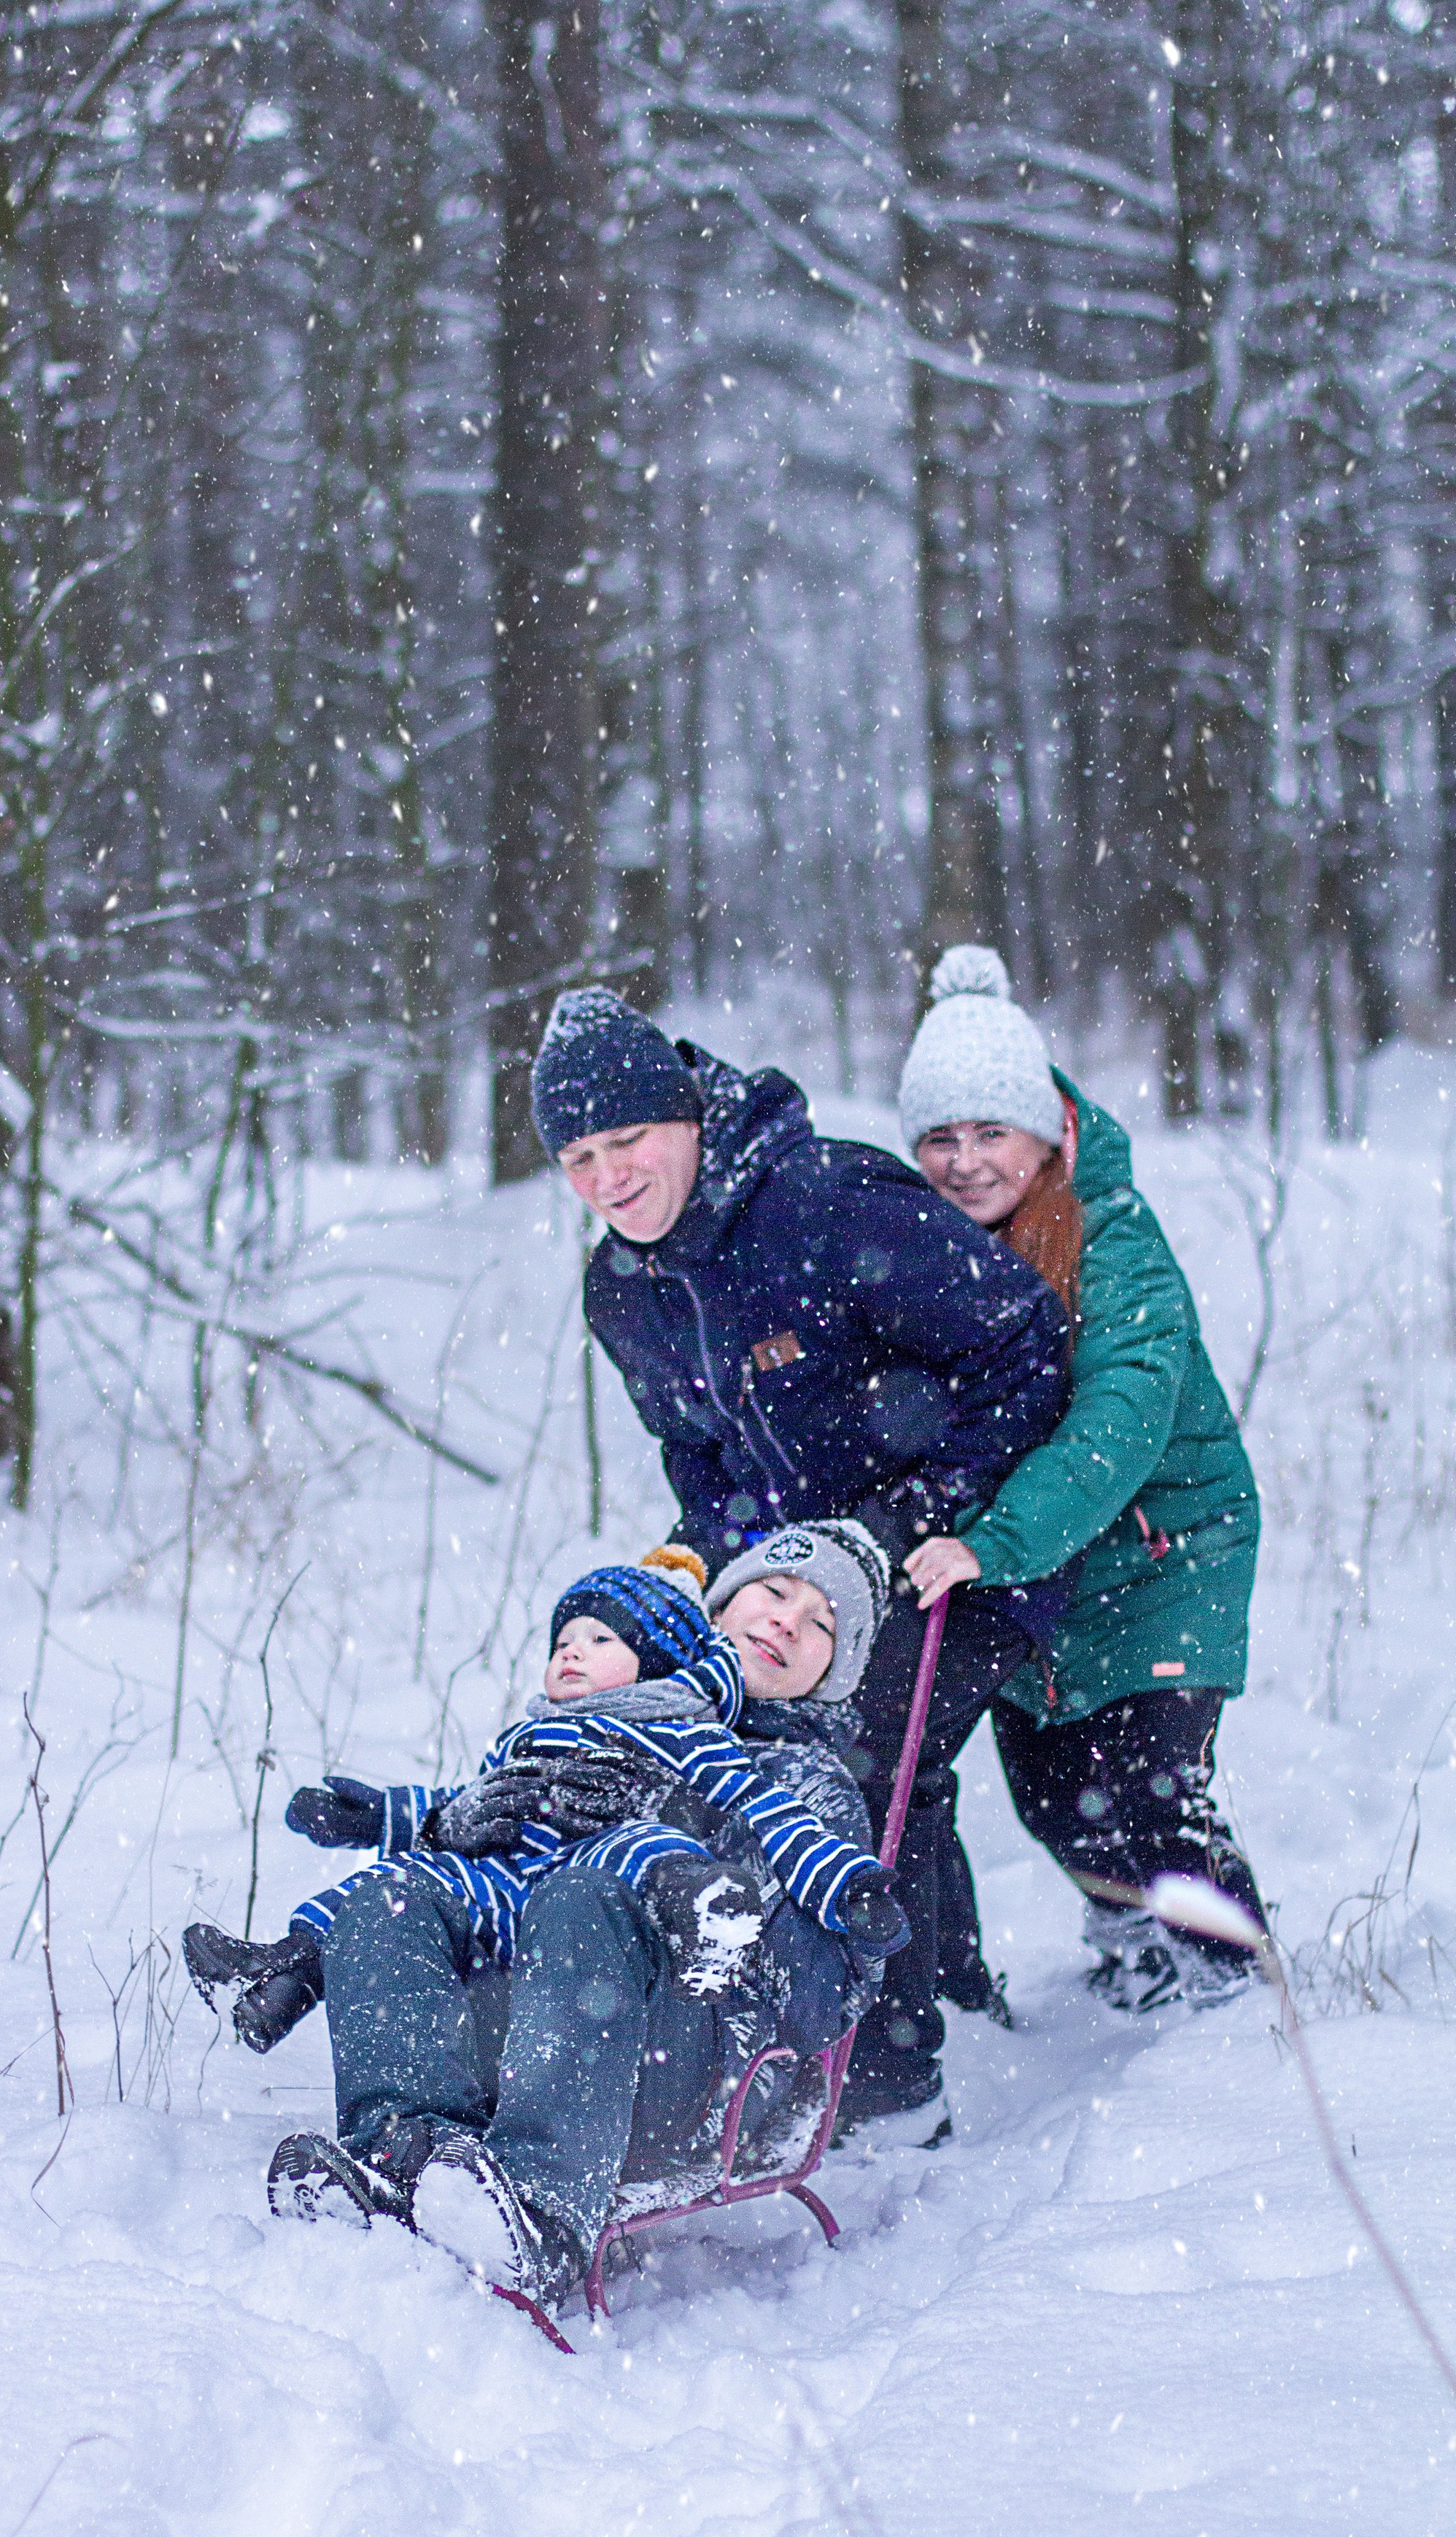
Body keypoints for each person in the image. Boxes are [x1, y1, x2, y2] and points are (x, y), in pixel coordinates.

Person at [530, 985, 1075, 2141]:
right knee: (726, 1733)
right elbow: (699, 1453)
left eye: (628, 1140)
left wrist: (919, 1514)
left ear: (686, 1117)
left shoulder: (828, 1202)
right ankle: (949, 1993)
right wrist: (708, 1573)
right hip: (806, 1572)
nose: (609, 1177)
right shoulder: (622, 1291)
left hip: (968, 1547)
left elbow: (1029, 1346)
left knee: (866, 1755)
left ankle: (890, 2090)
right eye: (580, 1157)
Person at [242, 1555, 905, 2305]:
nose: (788, 1618)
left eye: (822, 1623)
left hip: (687, 2070)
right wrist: (451, 1828)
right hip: (534, 2030)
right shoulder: (598, 1716)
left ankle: (543, 2214)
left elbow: (815, 2000)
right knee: (391, 1900)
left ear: (836, 1671)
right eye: (775, 1592)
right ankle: (400, 2152)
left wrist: (675, 1830)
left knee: (580, 1897)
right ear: (715, 1611)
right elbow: (490, 1894)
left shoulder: (807, 1779)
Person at [893, 946, 1268, 2010]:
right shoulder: (935, 1251)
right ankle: (1140, 1944)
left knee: (1154, 1798)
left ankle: (1238, 1989)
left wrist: (993, 1542)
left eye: (989, 1133)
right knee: (1057, 1801)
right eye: (939, 1139)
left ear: (1047, 1131)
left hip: (1163, 1551)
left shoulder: (1112, 1241)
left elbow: (1122, 1422)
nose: (965, 1162)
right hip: (1039, 1563)